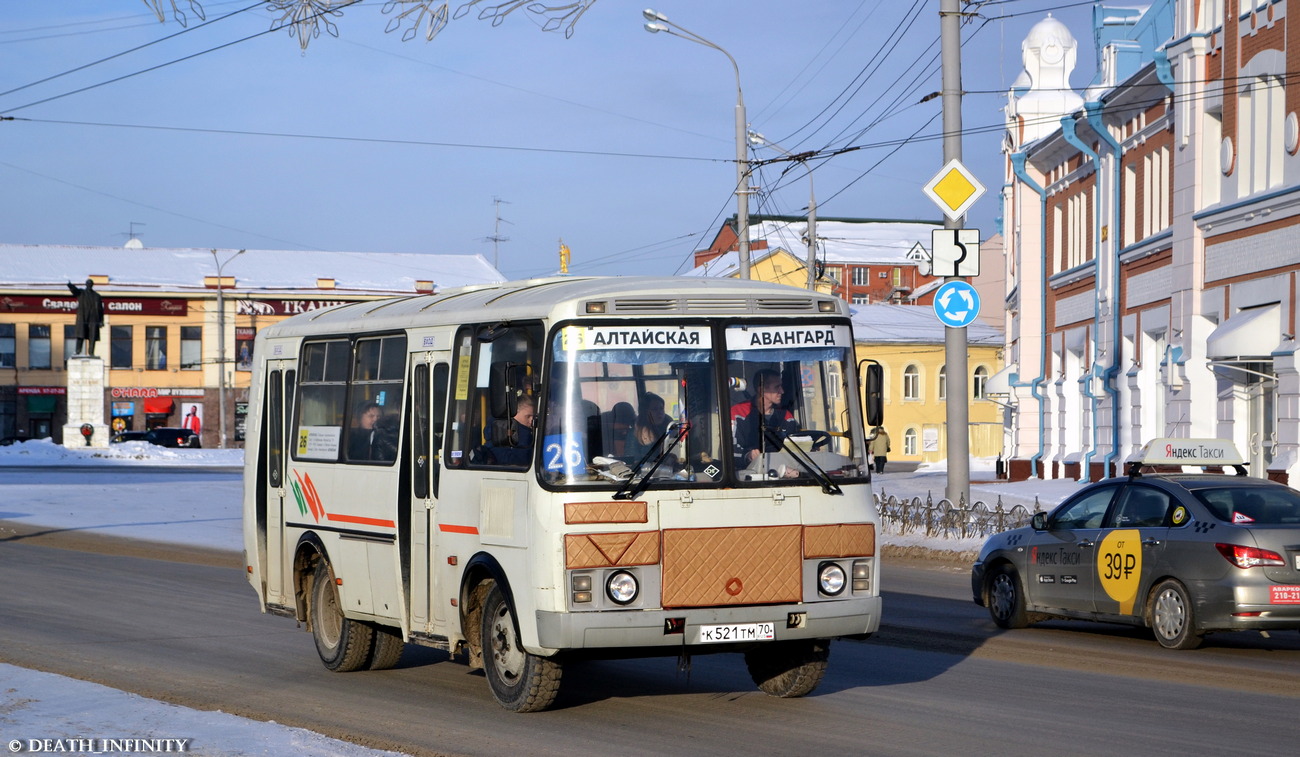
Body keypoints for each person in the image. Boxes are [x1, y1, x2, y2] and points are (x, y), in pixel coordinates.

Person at [731, 369, 797, 465]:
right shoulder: (738, 413)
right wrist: (748, 455)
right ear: (761, 389)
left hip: (782, 470)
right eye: (777, 387)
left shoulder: (786, 416)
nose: (782, 391)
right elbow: (730, 450)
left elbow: (795, 446)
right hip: (746, 474)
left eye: (781, 386)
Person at [484, 394, 535, 465]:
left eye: (533, 417)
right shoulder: (500, 437)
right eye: (528, 416)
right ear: (513, 413)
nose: (531, 421)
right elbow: (520, 462)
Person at [625, 392, 669, 461]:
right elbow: (632, 461)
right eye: (655, 409)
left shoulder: (668, 428)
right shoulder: (634, 434)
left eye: (661, 408)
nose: (660, 412)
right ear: (645, 412)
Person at [67, 279, 105, 356]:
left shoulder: (97, 296)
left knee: (92, 336)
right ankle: (78, 351)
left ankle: (91, 352)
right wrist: (70, 285)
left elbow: (101, 310)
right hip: (83, 317)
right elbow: (75, 291)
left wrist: (101, 321)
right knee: (81, 335)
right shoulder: (81, 293)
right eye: (88, 283)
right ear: (86, 284)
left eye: (90, 283)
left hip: (93, 318)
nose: (89, 285)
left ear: (92, 285)